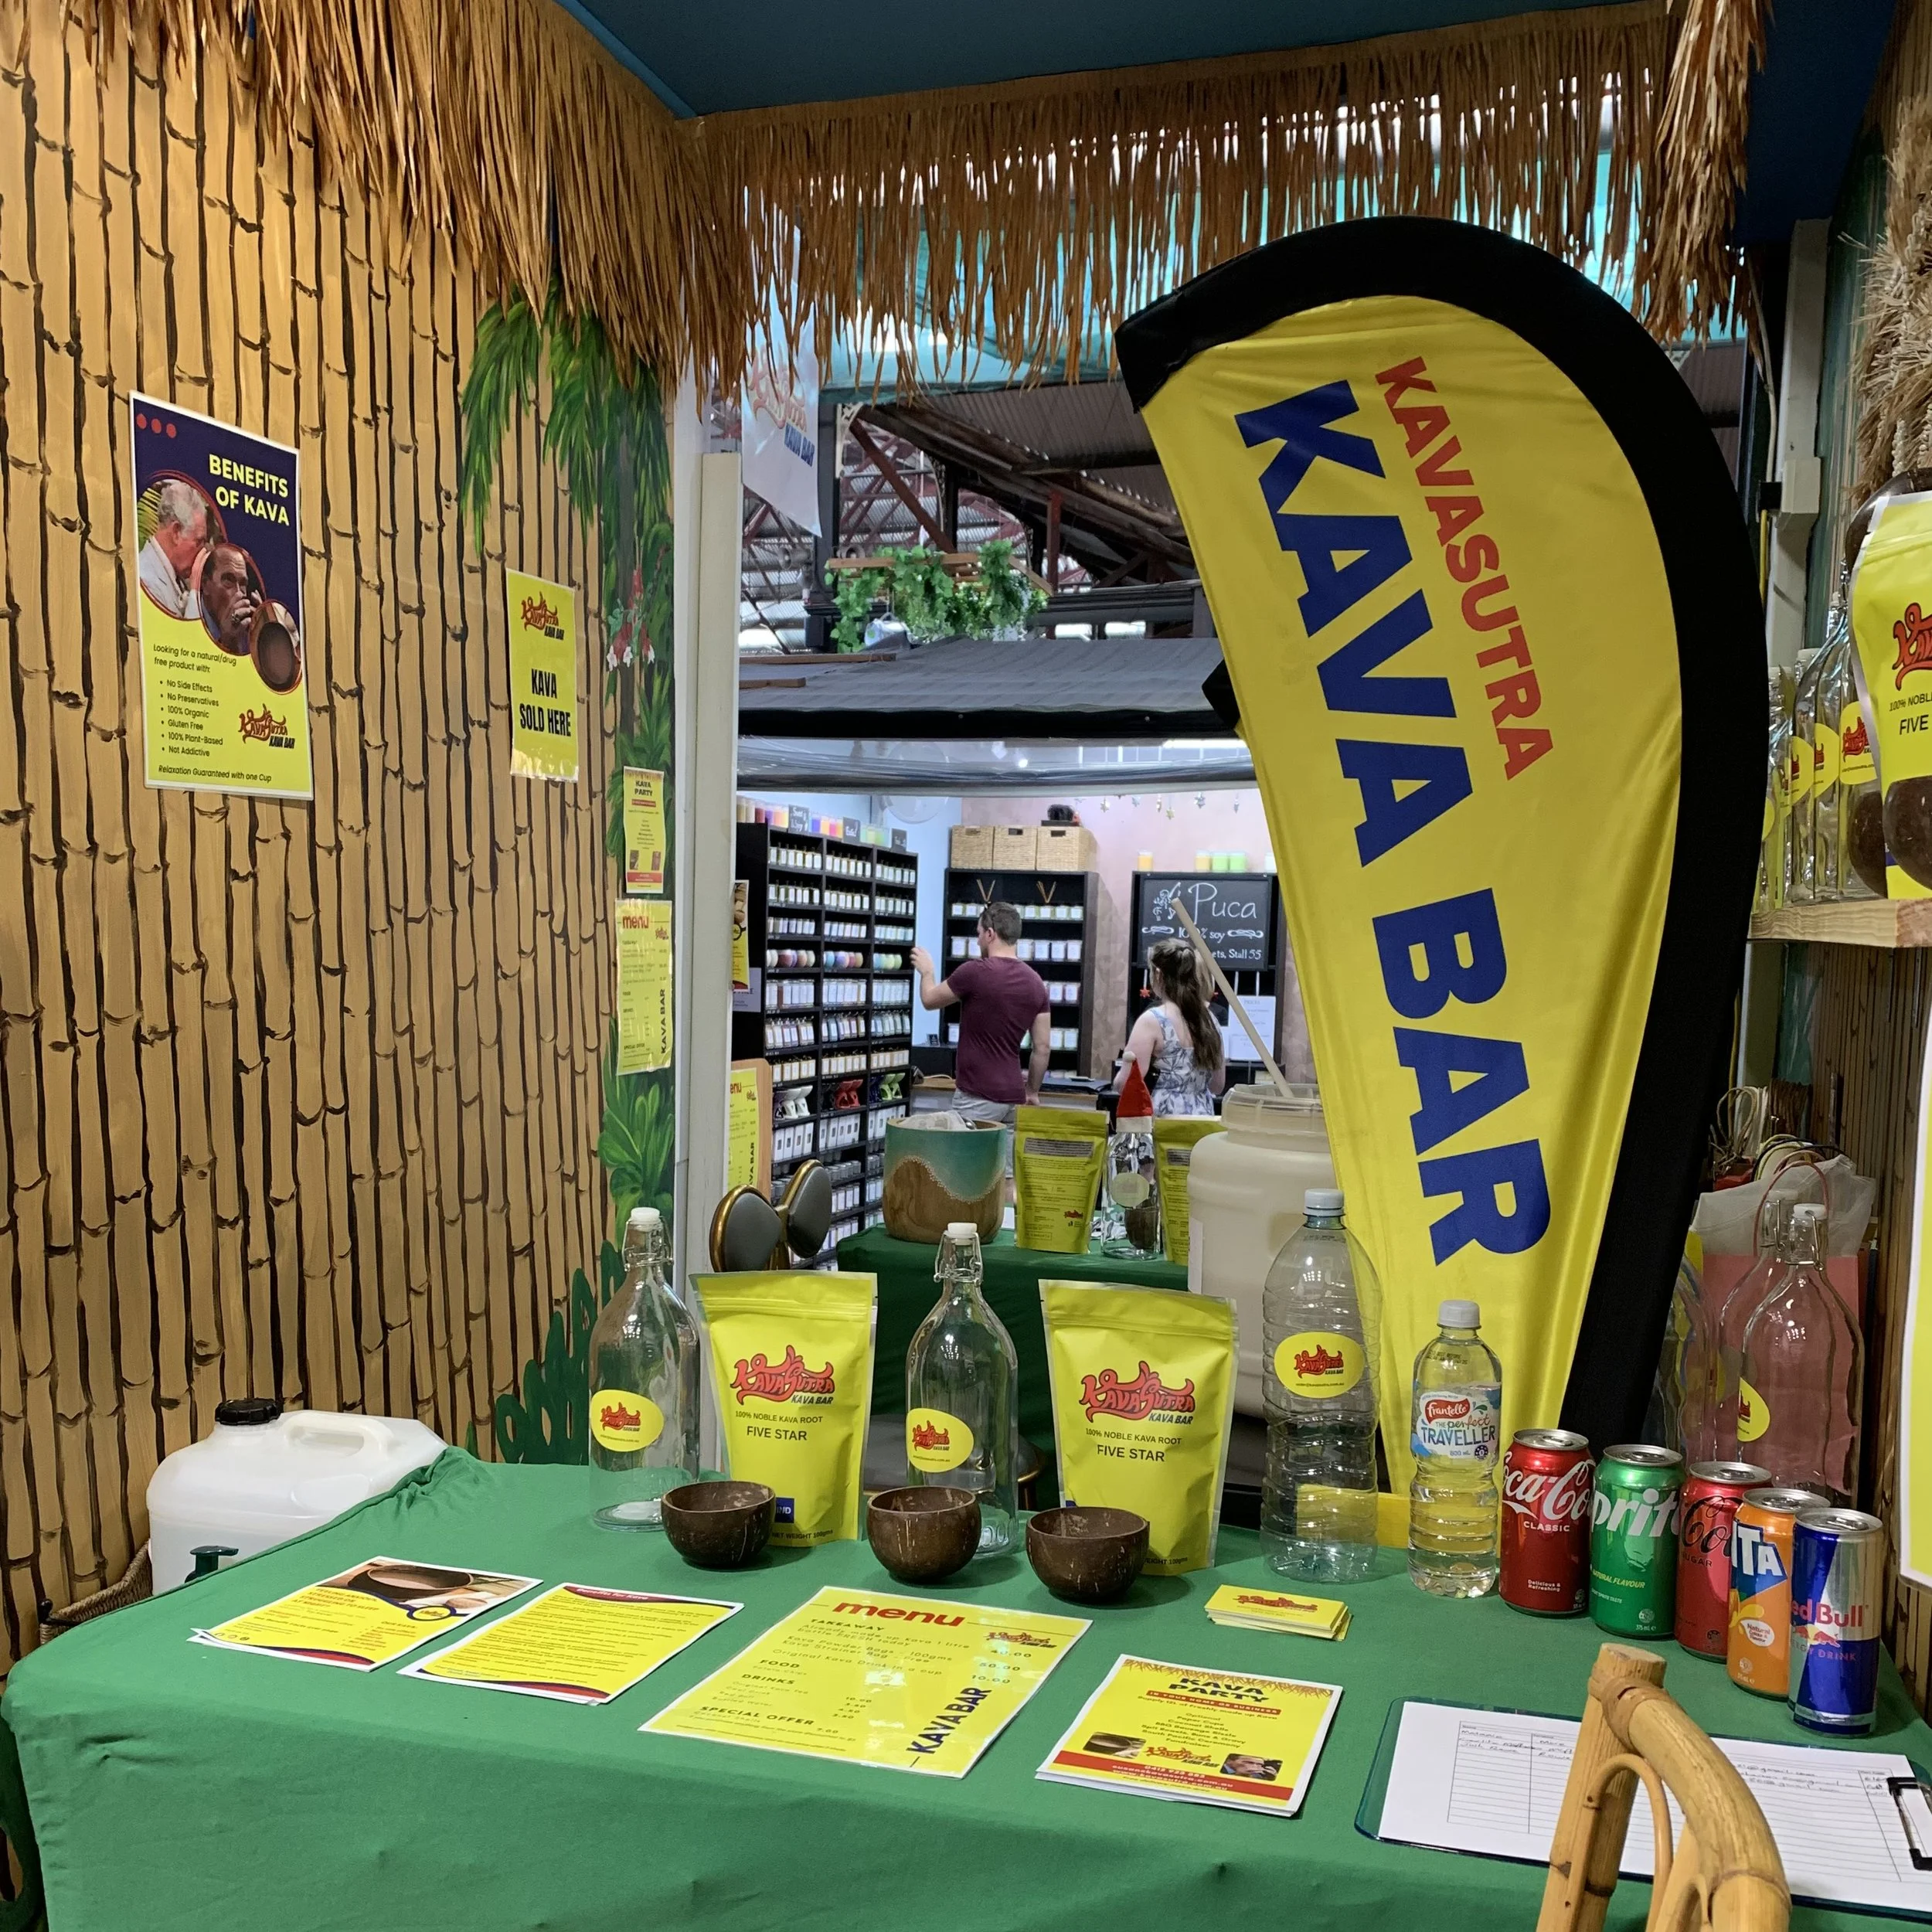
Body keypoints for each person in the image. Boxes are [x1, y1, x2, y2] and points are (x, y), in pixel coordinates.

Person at [910, 901, 1049, 1123]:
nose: (977, 941)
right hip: (1013, 1098)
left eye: (979, 934)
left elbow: (929, 1000)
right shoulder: (1036, 983)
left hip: (977, 1096)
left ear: (990, 934)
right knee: (1003, 1159)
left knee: (968, 1158)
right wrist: (1032, 1091)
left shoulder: (975, 972)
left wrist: (927, 971)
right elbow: (1042, 1048)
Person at [1116, 936, 1226, 1116]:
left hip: (1164, 1120)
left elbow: (1126, 1085)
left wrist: (1118, 1080)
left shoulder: (1152, 1021)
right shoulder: (1210, 1019)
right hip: (1202, 1120)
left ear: (1158, 974)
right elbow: (1217, 1086)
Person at [137, 479, 210, 618]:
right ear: (176, 532)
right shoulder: (147, 582)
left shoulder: (175, 576)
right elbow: (182, 639)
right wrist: (194, 593)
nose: (203, 552)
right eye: (199, 541)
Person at [198, 542, 260, 655]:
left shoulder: (247, 630)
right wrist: (227, 643)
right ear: (205, 584)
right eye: (228, 580)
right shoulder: (186, 618)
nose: (239, 593)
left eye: (243, 583)